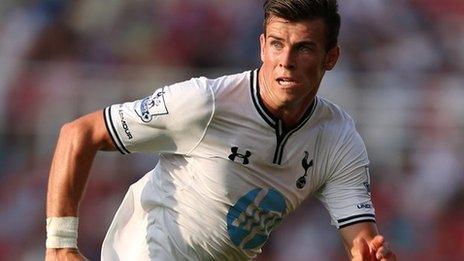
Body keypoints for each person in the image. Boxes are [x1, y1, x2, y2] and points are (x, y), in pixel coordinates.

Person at [45, 0, 396, 260]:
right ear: (262, 47)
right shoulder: (204, 103)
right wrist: (60, 246)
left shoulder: (337, 138)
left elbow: (360, 239)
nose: (285, 60)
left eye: (303, 47)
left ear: (330, 58)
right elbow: (79, 134)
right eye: (277, 43)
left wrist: (370, 254)